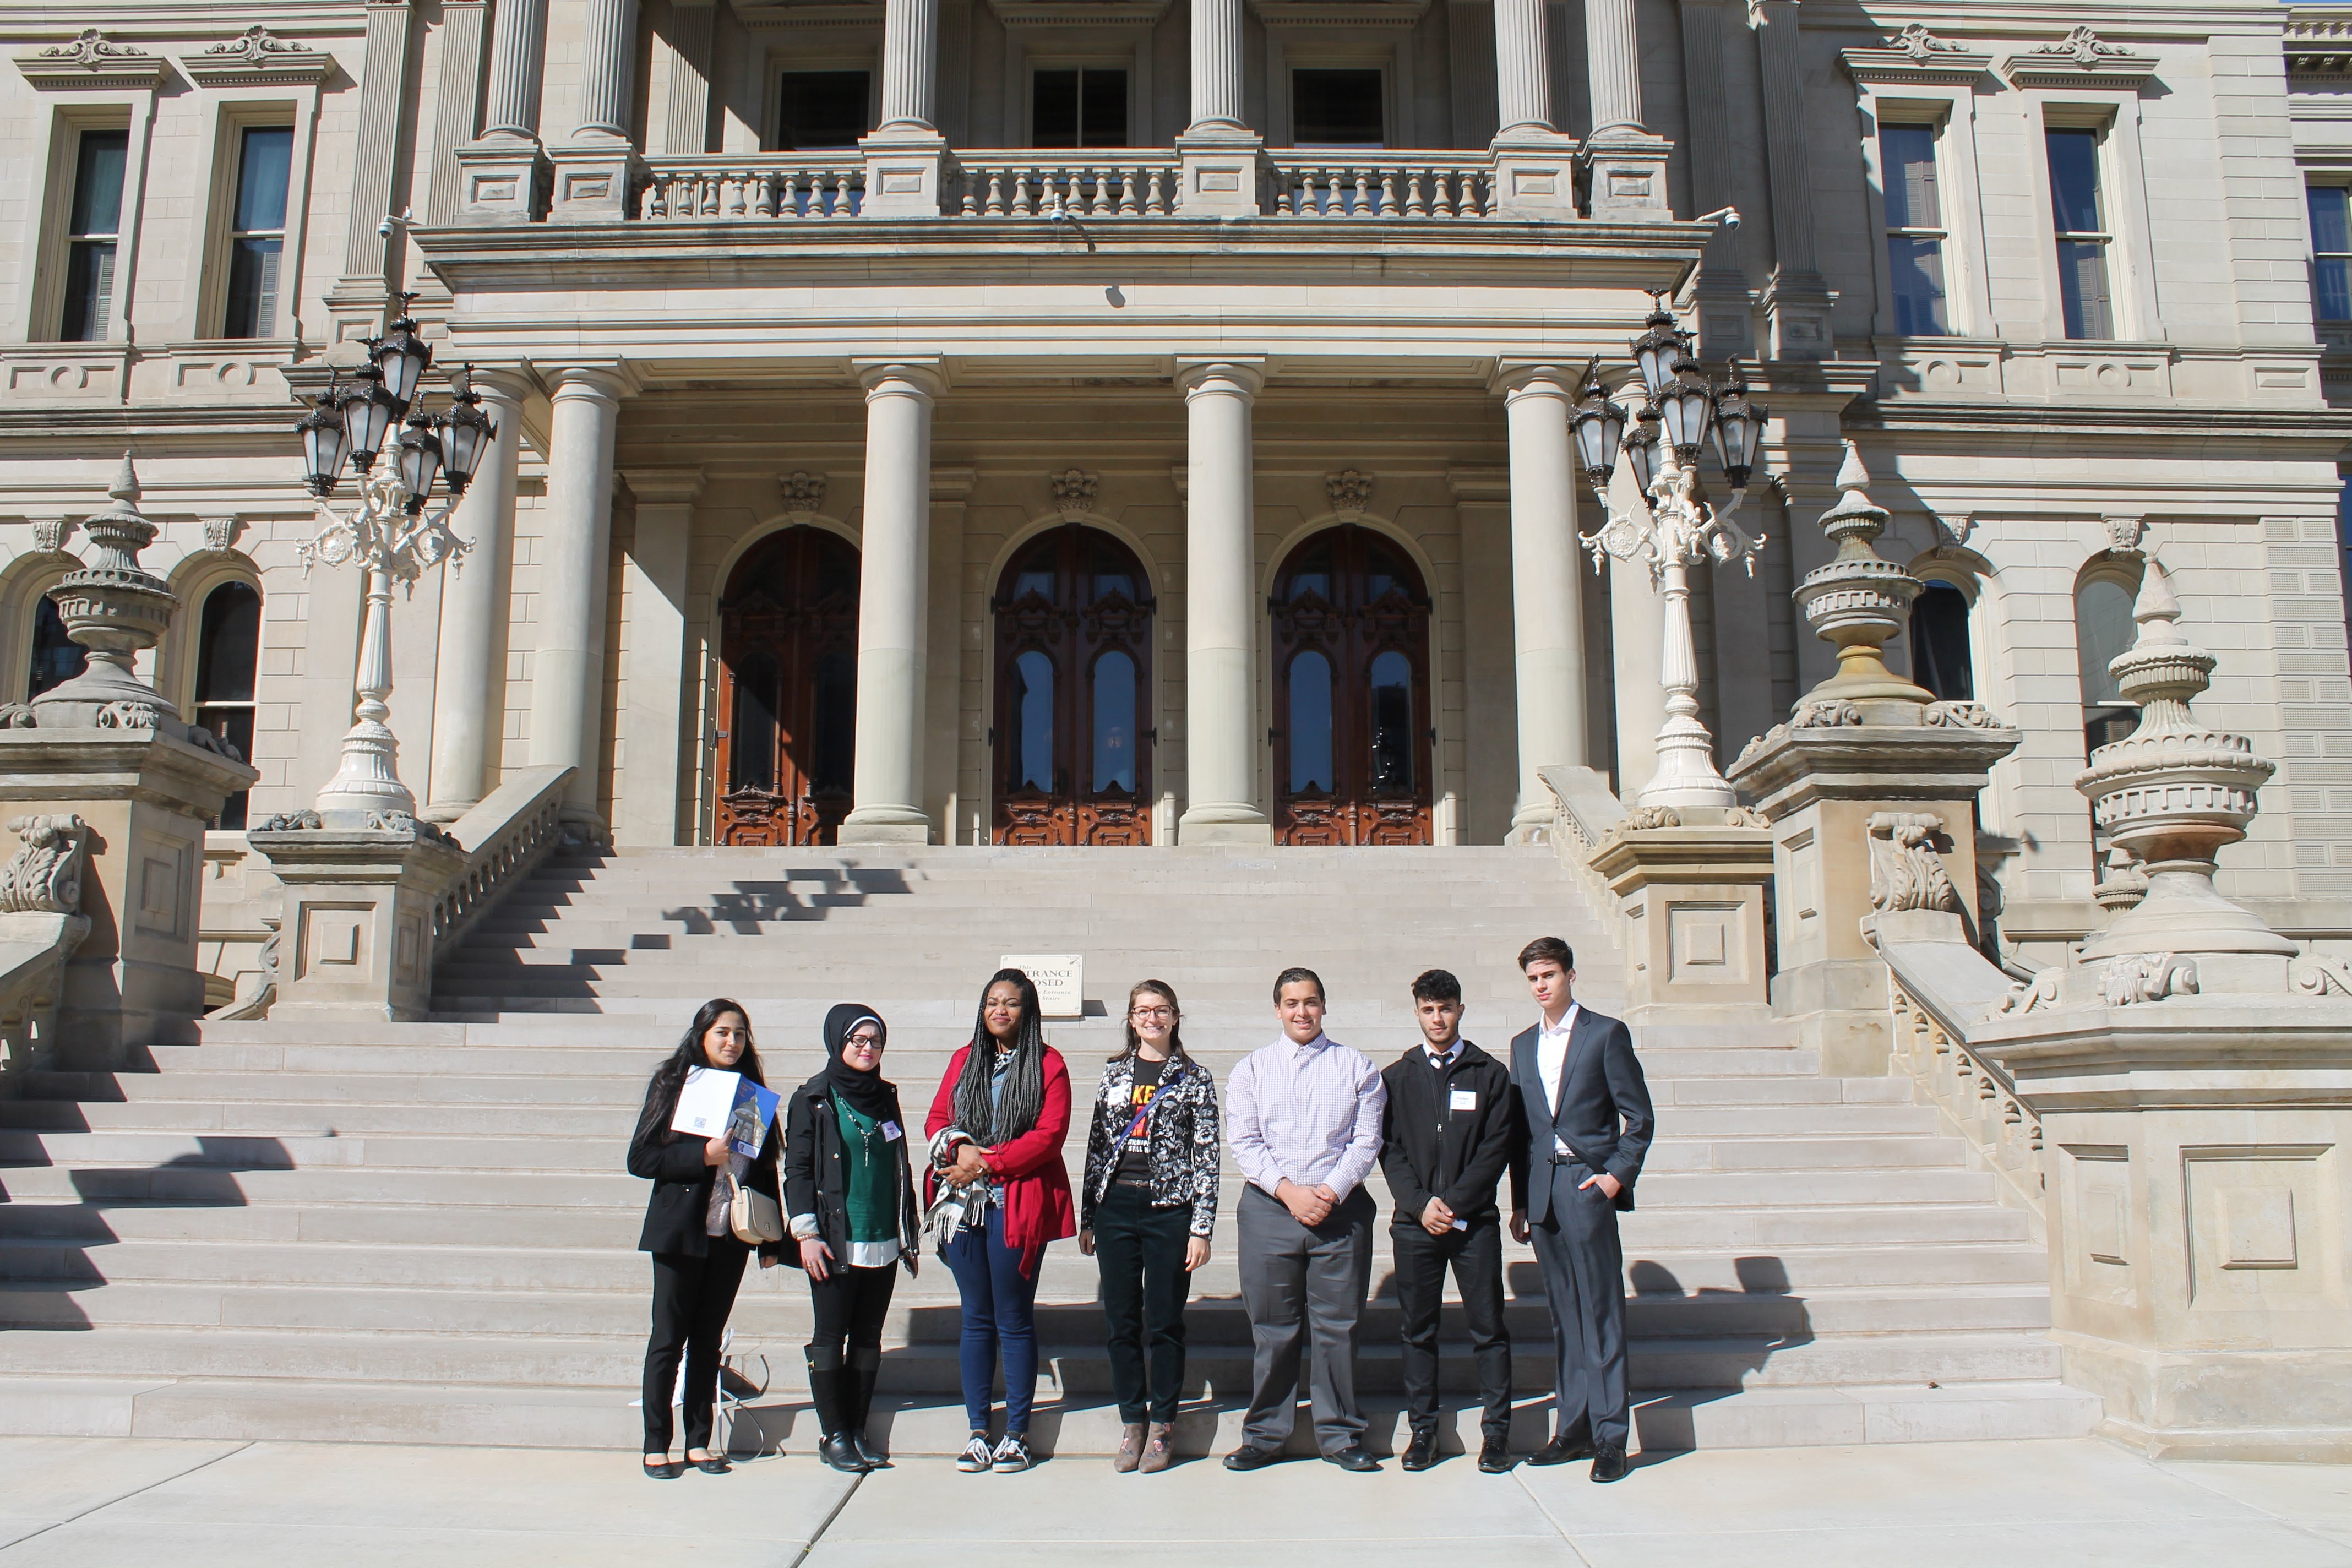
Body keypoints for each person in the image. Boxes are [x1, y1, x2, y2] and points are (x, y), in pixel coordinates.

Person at [1222, 966, 1386, 1473]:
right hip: (1271, 1211)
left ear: (1323, 1006)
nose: (1302, 1012)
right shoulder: (1251, 1069)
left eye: (1311, 1002)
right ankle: (1266, 1434)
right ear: (1277, 1009)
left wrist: (1331, 1191)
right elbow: (1245, 1142)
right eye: (1292, 1003)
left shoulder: (1357, 1067)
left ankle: (1339, 1435)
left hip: (1339, 1213)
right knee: (1274, 1327)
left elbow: (1367, 1141)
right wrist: (1290, 1194)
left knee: (1338, 1327)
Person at [1505, 937, 1653, 1484]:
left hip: (1588, 1185)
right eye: (1533, 978)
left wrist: (1615, 1176)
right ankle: (1574, 1427)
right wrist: (1520, 1201)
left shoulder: (1606, 1034)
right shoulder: (1522, 1045)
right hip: (1543, 1190)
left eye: (1549, 975)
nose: (1542, 985)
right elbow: (1521, 1133)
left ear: (1570, 974)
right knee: (1564, 1316)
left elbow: (1639, 1118)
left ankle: (1612, 1435)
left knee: (1601, 1312)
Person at [926, 967, 1077, 1473]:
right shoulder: (964, 1060)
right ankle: (976, 1431)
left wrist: (988, 1162)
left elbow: (1048, 1135)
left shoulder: (1049, 1065)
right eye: (992, 1001)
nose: (1000, 1010)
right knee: (976, 1317)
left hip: (1015, 1203)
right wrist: (961, 1148)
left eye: (1011, 1002)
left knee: (1012, 1318)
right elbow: (936, 1120)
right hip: (962, 1206)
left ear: (1027, 1010)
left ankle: (1015, 1433)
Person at [627, 997, 783, 1479]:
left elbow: (763, 1171)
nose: (732, 1042)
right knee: (668, 1340)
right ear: (701, 1036)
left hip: (730, 1236)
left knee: (708, 1341)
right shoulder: (675, 1085)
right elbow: (642, 1159)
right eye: (722, 1033)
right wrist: (703, 1156)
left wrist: (772, 1241)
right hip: (680, 1233)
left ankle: (699, 1441)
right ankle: (658, 1443)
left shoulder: (752, 1095)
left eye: (739, 1034)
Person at [1379, 968, 1527, 1474]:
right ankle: (1423, 1433)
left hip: (1474, 1224)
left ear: (1460, 1010)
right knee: (1418, 1329)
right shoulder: (1397, 1078)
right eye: (1428, 1009)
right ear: (1417, 1012)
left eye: (1445, 1009)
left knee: (1488, 1328)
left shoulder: (1489, 1074)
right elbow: (1389, 1151)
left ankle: (1497, 1435)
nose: (1437, 1018)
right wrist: (1421, 1205)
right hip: (1415, 1225)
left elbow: (1497, 1148)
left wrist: (1456, 1203)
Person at [1078, 980, 1222, 1474]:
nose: (1152, 1019)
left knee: (1165, 1322)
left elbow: (1207, 1156)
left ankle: (1163, 1425)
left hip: (1169, 1211)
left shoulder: (1194, 1078)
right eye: (1143, 1011)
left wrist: (1201, 1227)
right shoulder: (1114, 1073)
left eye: (1161, 1011)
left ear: (1176, 1017)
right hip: (1117, 1208)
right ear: (1131, 1019)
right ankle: (1132, 1423)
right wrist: (1089, 1216)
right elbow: (1098, 1144)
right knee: (1121, 1322)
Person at [782, 1004, 921, 1473]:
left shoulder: (885, 1096)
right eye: (858, 1041)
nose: (867, 1049)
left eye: (875, 1041)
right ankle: (833, 1434)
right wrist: (805, 1232)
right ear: (837, 1043)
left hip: (882, 1234)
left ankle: (857, 1430)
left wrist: (907, 1231)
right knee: (830, 1334)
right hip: (836, 1236)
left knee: (868, 1336)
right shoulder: (813, 1097)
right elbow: (797, 1169)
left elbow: (897, 1162)